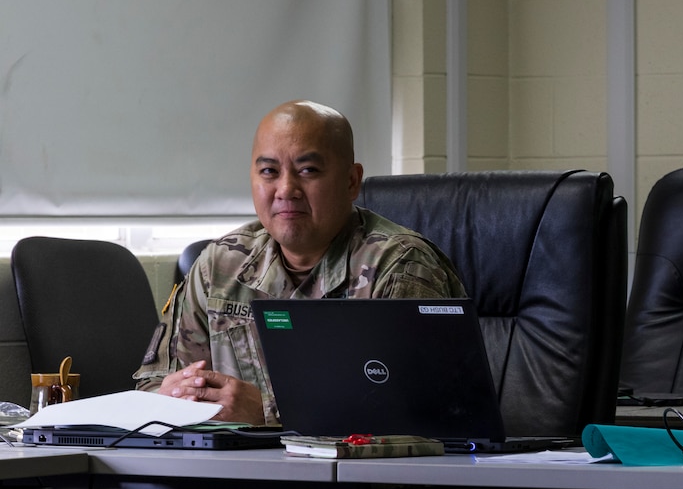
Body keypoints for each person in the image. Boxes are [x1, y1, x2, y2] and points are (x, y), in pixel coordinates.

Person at [134, 100, 466, 425]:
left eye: (308, 171)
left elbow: (416, 412)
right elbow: (154, 386)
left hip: (359, 477)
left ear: (352, 181)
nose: (286, 189)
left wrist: (268, 412)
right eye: (269, 171)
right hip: (233, 471)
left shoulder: (399, 268)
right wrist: (181, 396)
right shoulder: (220, 265)